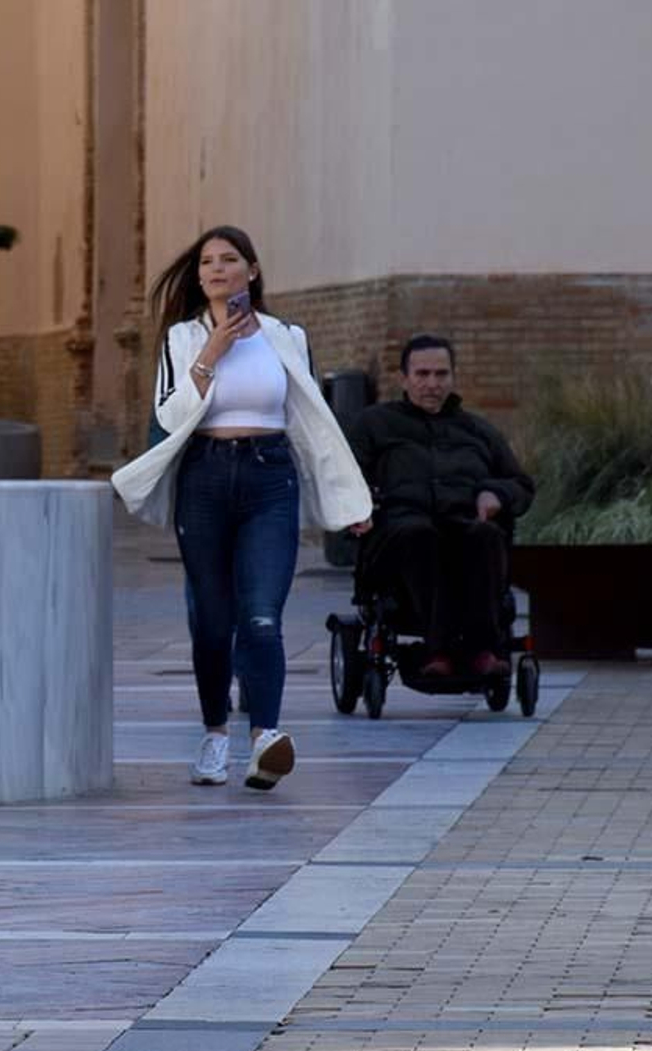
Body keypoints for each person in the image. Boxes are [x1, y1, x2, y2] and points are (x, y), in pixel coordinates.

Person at [112, 226, 372, 790]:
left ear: (252, 271)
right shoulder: (182, 339)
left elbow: (314, 425)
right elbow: (171, 416)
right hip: (204, 480)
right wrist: (211, 352)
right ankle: (214, 734)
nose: (216, 269)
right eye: (207, 261)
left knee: (260, 615)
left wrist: (349, 498)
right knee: (212, 621)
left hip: (269, 480)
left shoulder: (287, 337)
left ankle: (265, 740)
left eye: (230, 259)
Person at [344, 334, 534, 676]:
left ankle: (484, 651)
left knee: (485, 536)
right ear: (404, 378)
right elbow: (344, 477)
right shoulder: (375, 424)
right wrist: (359, 508)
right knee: (420, 534)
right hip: (398, 529)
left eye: (441, 374)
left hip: (462, 522)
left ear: (453, 377)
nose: (432, 384)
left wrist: (495, 494)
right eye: (422, 374)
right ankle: (438, 651)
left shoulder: (477, 430)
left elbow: (519, 484)